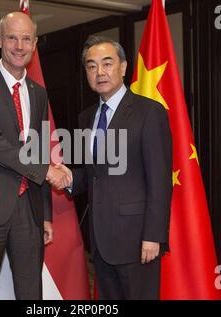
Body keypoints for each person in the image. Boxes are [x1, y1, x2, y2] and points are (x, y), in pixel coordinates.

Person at [0, 12, 71, 300]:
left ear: (34, 45)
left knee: (31, 292)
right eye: (12, 38)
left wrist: (43, 214)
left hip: (28, 211)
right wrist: (46, 171)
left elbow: (39, 149)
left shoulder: (39, 93)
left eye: (26, 39)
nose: (19, 46)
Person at [56, 36, 173, 299]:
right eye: (91, 66)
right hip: (100, 240)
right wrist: (70, 179)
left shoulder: (149, 112)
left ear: (123, 67)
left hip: (138, 240)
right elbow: (93, 174)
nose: (100, 72)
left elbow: (160, 180)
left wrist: (153, 236)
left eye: (107, 64)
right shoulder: (86, 118)